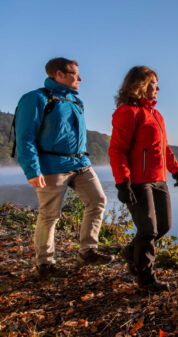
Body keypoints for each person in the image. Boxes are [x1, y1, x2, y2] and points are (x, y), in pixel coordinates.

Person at [15, 57, 114, 279]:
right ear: (59, 74)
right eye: (75, 74)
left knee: (98, 200)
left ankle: (87, 251)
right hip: (52, 166)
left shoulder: (76, 101)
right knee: (50, 215)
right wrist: (32, 169)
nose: (80, 78)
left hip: (80, 163)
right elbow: (25, 137)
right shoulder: (36, 99)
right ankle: (45, 264)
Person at [109, 66, 178, 291]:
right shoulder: (127, 112)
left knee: (163, 225)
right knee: (148, 229)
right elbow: (117, 151)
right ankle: (145, 278)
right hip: (138, 181)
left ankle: (130, 252)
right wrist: (123, 182)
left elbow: (163, 148)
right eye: (154, 83)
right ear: (140, 84)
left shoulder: (156, 114)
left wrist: (176, 171)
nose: (158, 88)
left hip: (158, 179)